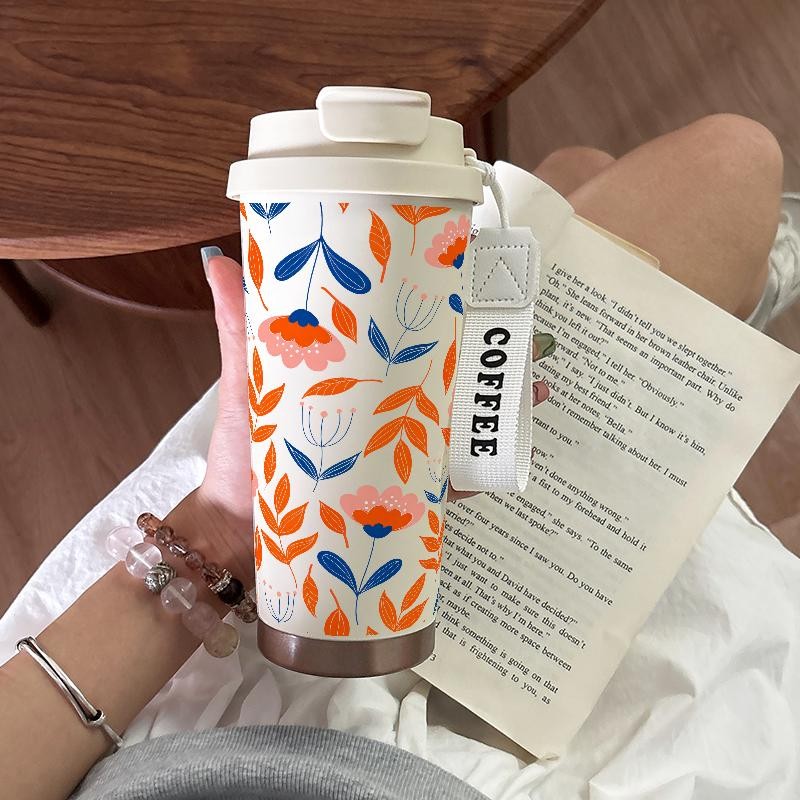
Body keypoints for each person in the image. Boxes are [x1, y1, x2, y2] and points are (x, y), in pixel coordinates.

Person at [1, 115, 798, 800]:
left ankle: (734, 292)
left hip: (191, 665)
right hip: (483, 763)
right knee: (729, 164)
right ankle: (747, 294)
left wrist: (221, 529)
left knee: (563, 184)